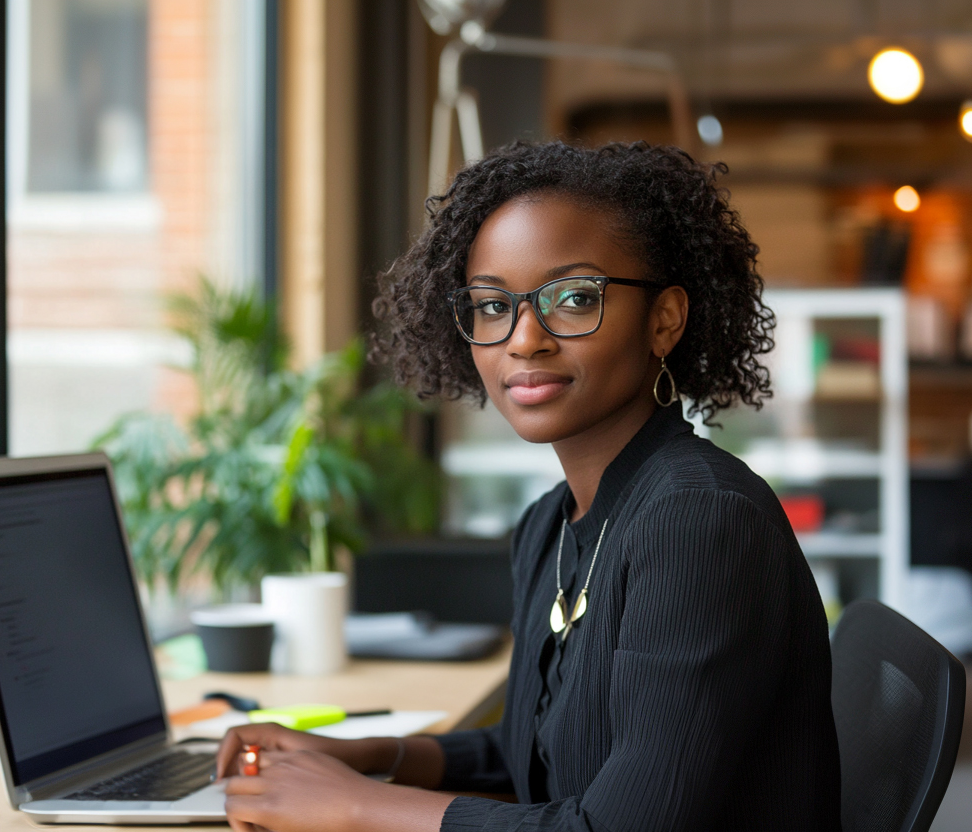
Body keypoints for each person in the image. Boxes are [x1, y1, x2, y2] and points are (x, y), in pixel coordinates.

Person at [216, 141, 841, 832]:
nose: (523, 338)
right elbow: (538, 755)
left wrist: (354, 807)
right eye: (492, 306)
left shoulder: (699, 521)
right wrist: (358, 755)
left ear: (663, 319)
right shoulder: (554, 523)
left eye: (574, 298)